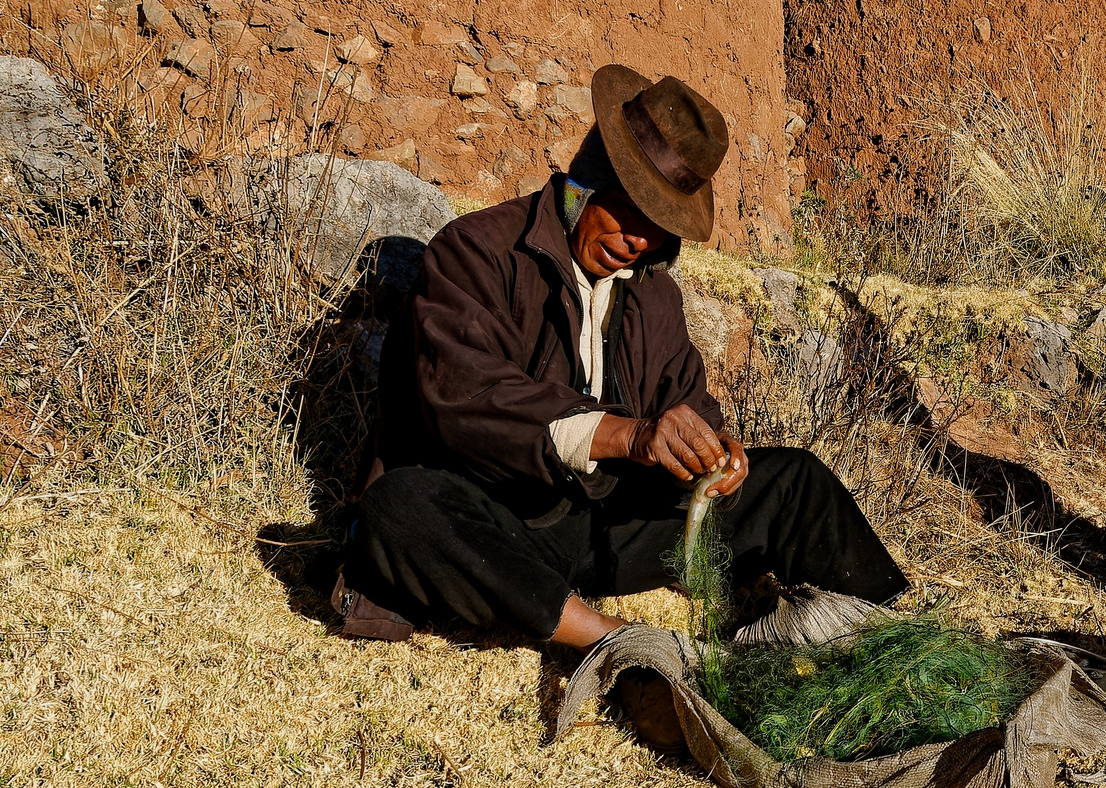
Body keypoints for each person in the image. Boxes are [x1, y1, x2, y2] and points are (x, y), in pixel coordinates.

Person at [333, 65, 910, 649]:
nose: (639, 240)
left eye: (657, 226)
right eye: (629, 211)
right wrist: (626, 436)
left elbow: (683, 397)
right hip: (500, 525)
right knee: (399, 507)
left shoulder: (651, 290)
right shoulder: (476, 252)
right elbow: (465, 400)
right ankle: (617, 640)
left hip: (605, 523)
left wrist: (712, 453)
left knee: (794, 481)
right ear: (584, 181)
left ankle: (901, 649)